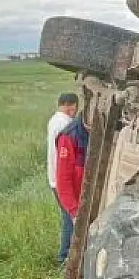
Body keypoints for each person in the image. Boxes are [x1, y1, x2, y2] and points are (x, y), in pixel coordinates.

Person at [54, 114, 90, 265]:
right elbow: (64, 181)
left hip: (88, 197)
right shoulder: (70, 136)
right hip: (74, 199)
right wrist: (74, 211)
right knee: (71, 227)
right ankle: (65, 262)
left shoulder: (96, 133)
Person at [48, 93, 79, 263]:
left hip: (54, 177)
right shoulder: (66, 124)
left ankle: (67, 256)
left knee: (67, 217)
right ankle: (64, 257)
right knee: (70, 219)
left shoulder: (53, 121)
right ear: (71, 106)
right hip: (62, 180)